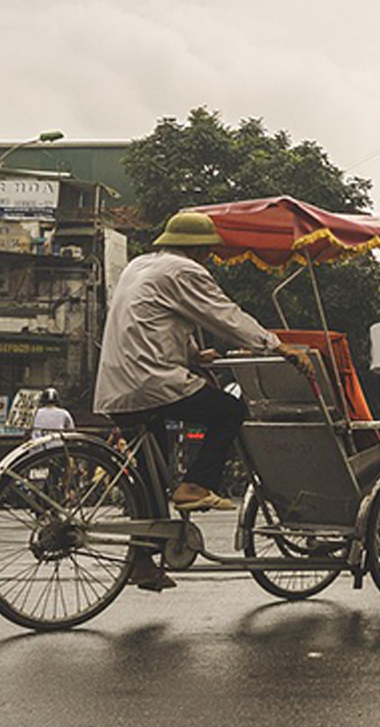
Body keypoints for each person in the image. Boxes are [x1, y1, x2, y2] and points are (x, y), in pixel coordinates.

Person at [96, 211, 300, 591]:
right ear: (200, 249)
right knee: (229, 410)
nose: (209, 258)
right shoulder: (185, 271)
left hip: (118, 383)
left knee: (149, 479)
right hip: (150, 380)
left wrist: (191, 354)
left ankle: (142, 562)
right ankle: (196, 485)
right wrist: (276, 345)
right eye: (208, 252)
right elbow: (223, 315)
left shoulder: (141, 265)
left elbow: (153, 322)